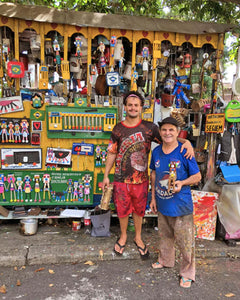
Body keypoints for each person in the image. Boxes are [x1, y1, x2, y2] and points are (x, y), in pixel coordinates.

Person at [102, 91, 194, 260]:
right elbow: (112, 153)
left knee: (138, 211)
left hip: (141, 180)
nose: (133, 108)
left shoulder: (150, 127)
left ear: (141, 107)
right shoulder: (118, 128)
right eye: (130, 105)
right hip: (121, 179)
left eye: (136, 105)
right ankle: (123, 236)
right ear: (125, 107)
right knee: (122, 211)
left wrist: (186, 142)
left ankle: (138, 237)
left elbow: (169, 138)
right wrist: (106, 175)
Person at [149, 116, 201, 288]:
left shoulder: (185, 151)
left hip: (181, 206)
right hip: (163, 203)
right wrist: (154, 198)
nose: (167, 133)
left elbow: (197, 176)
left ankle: (187, 273)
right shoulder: (156, 151)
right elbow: (154, 174)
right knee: (165, 237)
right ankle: (165, 260)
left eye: (171, 130)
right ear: (160, 132)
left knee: (185, 242)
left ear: (178, 132)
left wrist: (182, 183)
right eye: (164, 129)